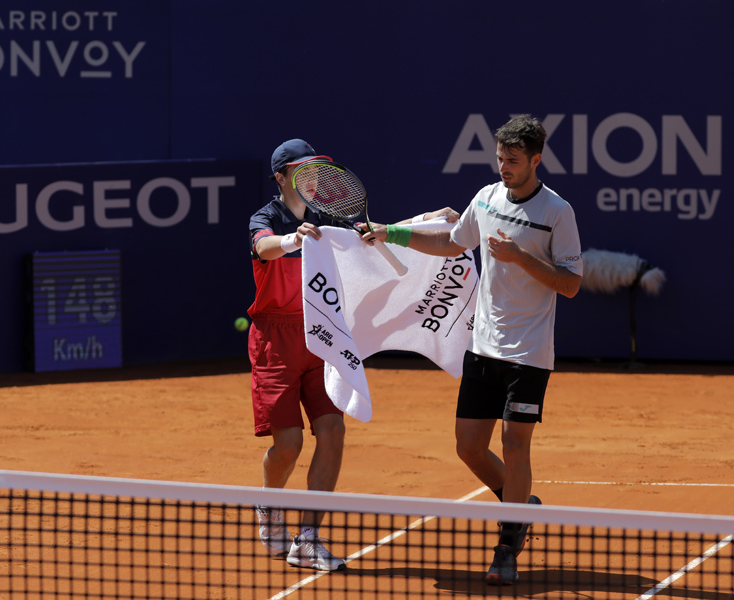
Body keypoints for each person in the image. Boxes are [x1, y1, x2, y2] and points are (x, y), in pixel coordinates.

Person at [361, 116, 582, 585]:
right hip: (483, 348)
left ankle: (507, 546)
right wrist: (392, 232)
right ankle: (521, 507)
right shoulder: (485, 197)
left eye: (513, 160)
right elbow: (452, 241)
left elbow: (570, 284)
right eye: (500, 158)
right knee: (468, 447)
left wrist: (520, 256)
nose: (504, 167)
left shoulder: (558, 212)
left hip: (529, 354)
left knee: (514, 443)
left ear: (535, 161)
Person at [248, 138, 458, 572]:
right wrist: (292, 239)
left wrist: (428, 219)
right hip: (276, 341)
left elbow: (375, 241)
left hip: (323, 332)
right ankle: (269, 506)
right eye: (303, 171)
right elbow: (263, 247)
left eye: (317, 170)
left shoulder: (330, 217)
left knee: (332, 431)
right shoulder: (266, 217)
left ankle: (307, 538)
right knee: (288, 445)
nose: (313, 178)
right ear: (282, 176)